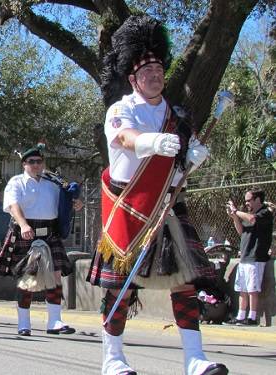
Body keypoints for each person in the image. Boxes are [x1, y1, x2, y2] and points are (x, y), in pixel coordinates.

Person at [86, 15, 227, 375]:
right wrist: (151, 142)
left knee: (185, 284)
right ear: (132, 78)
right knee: (120, 289)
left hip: (167, 206)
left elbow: (178, 170)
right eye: (146, 70)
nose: (155, 74)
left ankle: (194, 359)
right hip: (130, 208)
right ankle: (113, 359)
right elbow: (124, 139)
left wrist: (192, 156)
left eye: (158, 67)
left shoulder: (176, 115)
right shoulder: (120, 110)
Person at [0, 145, 82, 336]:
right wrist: (23, 225)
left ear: (43, 163)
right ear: (24, 164)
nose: (36, 165)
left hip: (50, 233)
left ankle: (55, 321)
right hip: (27, 231)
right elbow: (13, 205)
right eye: (31, 162)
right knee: (28, 279)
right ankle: (24, 323)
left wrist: (75, 204)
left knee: (55, 275)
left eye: (39, 161)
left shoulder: (53, 183)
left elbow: (63, 204)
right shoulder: (16, 182)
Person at [226, 187, 274, 326]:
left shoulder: (264, 213)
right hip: (245, 257)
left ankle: (252, 317)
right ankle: (241, 316)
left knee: (252, 289)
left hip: (256, 258)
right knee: (242, 289)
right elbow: (242, 232)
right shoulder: (248, 214)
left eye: (249, 200)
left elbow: (252, 219)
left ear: (257, 199)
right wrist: (234, 217)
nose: (246, 203)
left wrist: (236, 211)